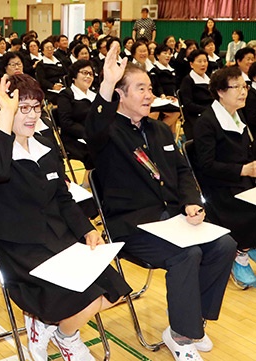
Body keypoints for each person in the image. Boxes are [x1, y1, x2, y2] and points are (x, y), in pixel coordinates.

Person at [86, 42, 236, 361]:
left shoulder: (160, 130)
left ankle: (194, 323)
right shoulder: (109, 132)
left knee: (224, 244)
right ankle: (181, 335)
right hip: (132, 225)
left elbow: (183, 171)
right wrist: (107, 83)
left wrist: (192, 202)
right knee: (187, 255)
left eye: (149, 88)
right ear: (121, 95)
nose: (148, 94)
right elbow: (92, 130)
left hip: (172, 219)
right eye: (140, 88)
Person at [0, 73, 131, 360]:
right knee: (85, 297)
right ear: (3, 112)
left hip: (60, 240)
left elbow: (62, 197)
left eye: (36, 107)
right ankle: (66, 337)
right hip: (21, 250)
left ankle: (61, 333)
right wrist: (6, 121)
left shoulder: (46, 149)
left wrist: (87, 231)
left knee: (115, 290)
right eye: (23, 108)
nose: (32, 114)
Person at [193, 66, 256, 288]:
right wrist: (243, 170)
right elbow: (207, 166)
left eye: (245, 86)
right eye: (236, 87)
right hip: (220, 188)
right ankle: (240, 254)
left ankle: (250, 242)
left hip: (243, 182)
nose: (243, 92)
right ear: (220, 91)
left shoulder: (238, 115)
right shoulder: (207, 122)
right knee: (252, 210)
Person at [56, 60, 96, 187]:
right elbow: (66, 123)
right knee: (95, 151)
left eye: (91, 73)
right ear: (74, 76)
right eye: (84, 73)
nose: (88, 76)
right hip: (73, 138)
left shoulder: (95, 95)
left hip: (95, 135)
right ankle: (88, 184)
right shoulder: (66, 95)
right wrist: (88, 134)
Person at [179, 49, 212, 139]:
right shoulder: (187, 80)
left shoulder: (210, 78)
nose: (203, 64)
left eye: (205, 61)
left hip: (211, 112)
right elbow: (188, 104)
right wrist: (207, 111)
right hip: (195, 115)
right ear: (191, 64)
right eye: (199, 61)